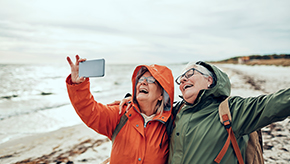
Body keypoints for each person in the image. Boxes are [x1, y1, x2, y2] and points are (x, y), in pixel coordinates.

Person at [119, 61, 290, 163]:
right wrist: (132, 101)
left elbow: (275, 104)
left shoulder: (233, 110)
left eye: (190, 73)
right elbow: (150, 110)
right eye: (180, 79)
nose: (183, 79)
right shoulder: (176, 111)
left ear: (210, 80)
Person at [65, 55, 174, 164]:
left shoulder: (170, 124)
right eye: (140, 79)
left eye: (151, 80)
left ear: (161, 95)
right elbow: (90, 112)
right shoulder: (121, 113)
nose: (143, 82)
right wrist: (78, 85)